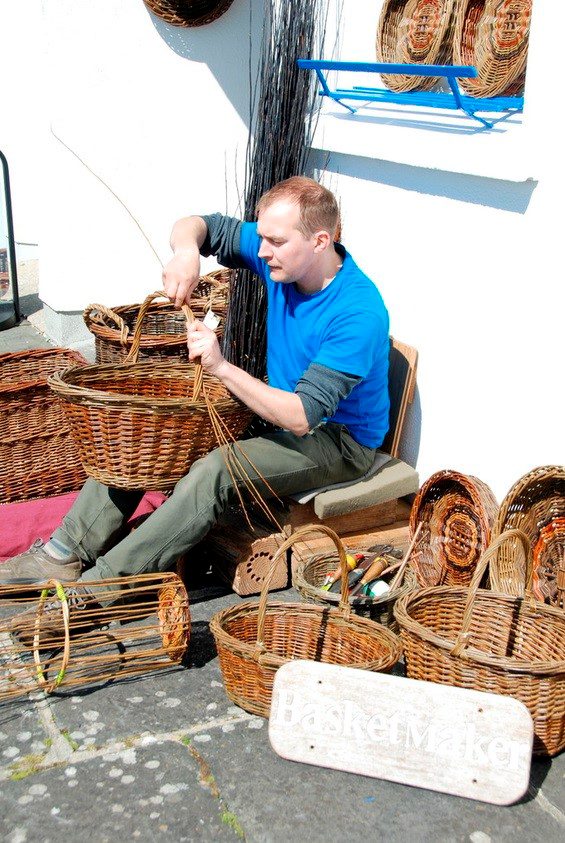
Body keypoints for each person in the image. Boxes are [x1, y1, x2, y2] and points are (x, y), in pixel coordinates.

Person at [1, 177, 390, 623]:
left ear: (321, 240)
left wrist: (222, 367)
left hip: (337, 439)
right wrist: (186, 253)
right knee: (148, 431)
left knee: (215, 473)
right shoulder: (285, 258)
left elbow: (301, 417)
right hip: (277, 410)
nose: (261, 251)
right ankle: (62, 553)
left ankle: (98, 590)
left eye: (275, 242)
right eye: (260, 237)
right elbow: (197, 226)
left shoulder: (358, 313)